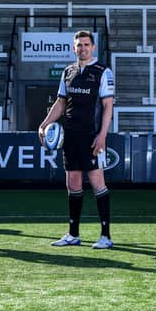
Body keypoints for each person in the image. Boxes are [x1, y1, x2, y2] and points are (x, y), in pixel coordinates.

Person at [38, 30, 115, 249]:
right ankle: (73, 234)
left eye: (86, 45)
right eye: (78, 45)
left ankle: (105, 236)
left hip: (92, 137)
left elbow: (108, 106)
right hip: (70, 136)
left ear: (93, 47)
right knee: (72, 183)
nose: (82, 48)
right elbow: (61, 103)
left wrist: (102, 136)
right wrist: (43, 124)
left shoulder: (102, 72)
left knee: (98, 183)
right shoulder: (68, 72)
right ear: (74, 48)